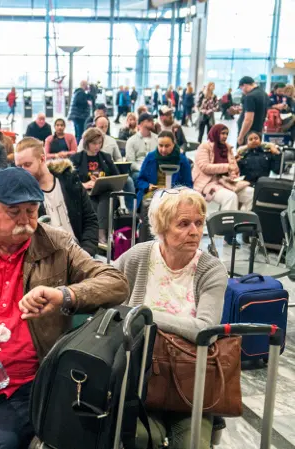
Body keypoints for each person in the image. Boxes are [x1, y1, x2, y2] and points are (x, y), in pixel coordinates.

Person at [0, 167, 129, 449]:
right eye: (14, 212)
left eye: (31, 211)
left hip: (28, 379)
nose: (25, 220)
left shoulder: (57, 244)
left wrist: (65, 295)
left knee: (3, 445)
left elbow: (116, 283)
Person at [115, 187, 227, 449]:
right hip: (138, 379)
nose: (194, 231)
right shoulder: (138, 256)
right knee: (139, 438)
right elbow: (106, 287)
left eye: (199, 222)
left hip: (189, 382)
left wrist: (144, 315)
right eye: (184, 224)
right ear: (162, 227)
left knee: (193, 444)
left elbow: (205, 330)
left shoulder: (211, 270)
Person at [14, 137, 99, 255]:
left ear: (42, 159)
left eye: (27, 165)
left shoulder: (69, 180)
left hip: (81, 253)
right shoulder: (21, 196)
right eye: (19, 167)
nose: (22, 171)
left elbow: (90, 219)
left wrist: (86, 252)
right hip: (49, 259)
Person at [193, 124, 254, 246]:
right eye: (222, 133)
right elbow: (204, 167)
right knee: (231, 197)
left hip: (226, 182)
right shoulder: (204, 147)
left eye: (226, 133)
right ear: (215, 133)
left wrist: (234, 174)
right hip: (208, 183)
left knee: (251, 193)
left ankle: (241, 226)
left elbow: (233, 167)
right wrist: (227, 167)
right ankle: (228, 234)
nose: (225, 136)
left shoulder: (228, 148)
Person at [135, 131, 194, 242]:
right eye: (160, 145)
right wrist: (147, 186)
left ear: (174, 144)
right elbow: (140, 180)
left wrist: (177, 193)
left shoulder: (182, 160)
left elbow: (188, 185)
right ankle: (145, 242)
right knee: (148, 206)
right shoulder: (151, 157)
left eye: (167, 146)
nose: (163, 149)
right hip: (152, 193)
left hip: (175, 195)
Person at [71, 127, 120, 244]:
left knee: (106, 199)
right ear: (87, 143)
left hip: (104, 192)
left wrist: (102, 180)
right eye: (94, 143)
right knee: (93, 203)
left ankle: (100, 233)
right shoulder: (76, 158)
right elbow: (69, 181)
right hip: (86, 193)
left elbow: (116, 176)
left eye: (99, 143)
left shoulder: (106, 157)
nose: (97, 146)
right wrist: (83, 184)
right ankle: (101, 235)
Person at [237, 76, 270, 146]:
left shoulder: (250, 97)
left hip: (248, 134)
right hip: (257, 133)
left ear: (245, 85)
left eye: (241, 88)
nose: (242, 91)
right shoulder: (264, 94)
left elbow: (248, 119)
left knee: (243, 152)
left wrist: (241, 136)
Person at [125, 112, 158, 182]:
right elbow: (131, 162)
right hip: (139, 171)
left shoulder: (157, 139)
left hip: (155, 170)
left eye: (152, 120)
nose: (152, 122)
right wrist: (143, 169)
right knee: (139, 176)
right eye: (149, 120)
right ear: (142, 123)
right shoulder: (131, 141)